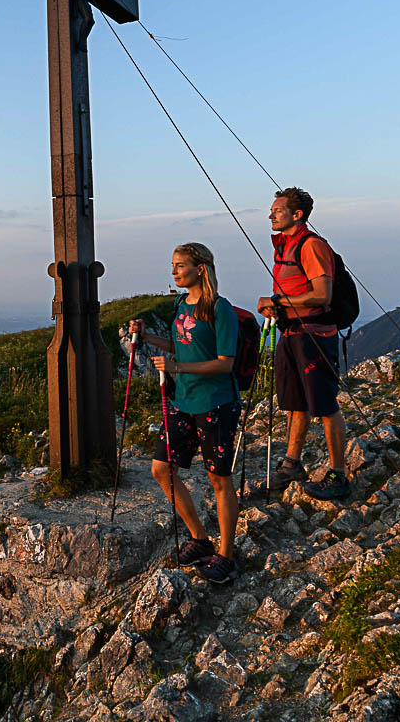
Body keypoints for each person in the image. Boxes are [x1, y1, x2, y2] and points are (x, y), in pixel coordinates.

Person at [128, 242, 240, 584]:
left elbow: (226, 363)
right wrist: (148, 338)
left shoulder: (221, 310)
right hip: (184, 401)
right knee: (161, 469)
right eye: (173, 265)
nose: (174, 272)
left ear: (201, 268)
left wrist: (177, 367)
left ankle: (226, 556)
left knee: (219, 479)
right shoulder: (181, 304)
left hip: (216, 402)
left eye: (180, 266)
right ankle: (201, 540)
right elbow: (181, 343)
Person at [257, 187, 351, 500]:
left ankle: (339, 475)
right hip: (292, 332)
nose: (271, 214)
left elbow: (321, 295)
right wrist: (279, 306)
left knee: (324, 405)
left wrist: (278, 301)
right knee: (295, 401)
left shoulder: (310, 246)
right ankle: (292, 463)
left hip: (314, 335)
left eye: (277, 210)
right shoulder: (286, 246)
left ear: (296, 215)